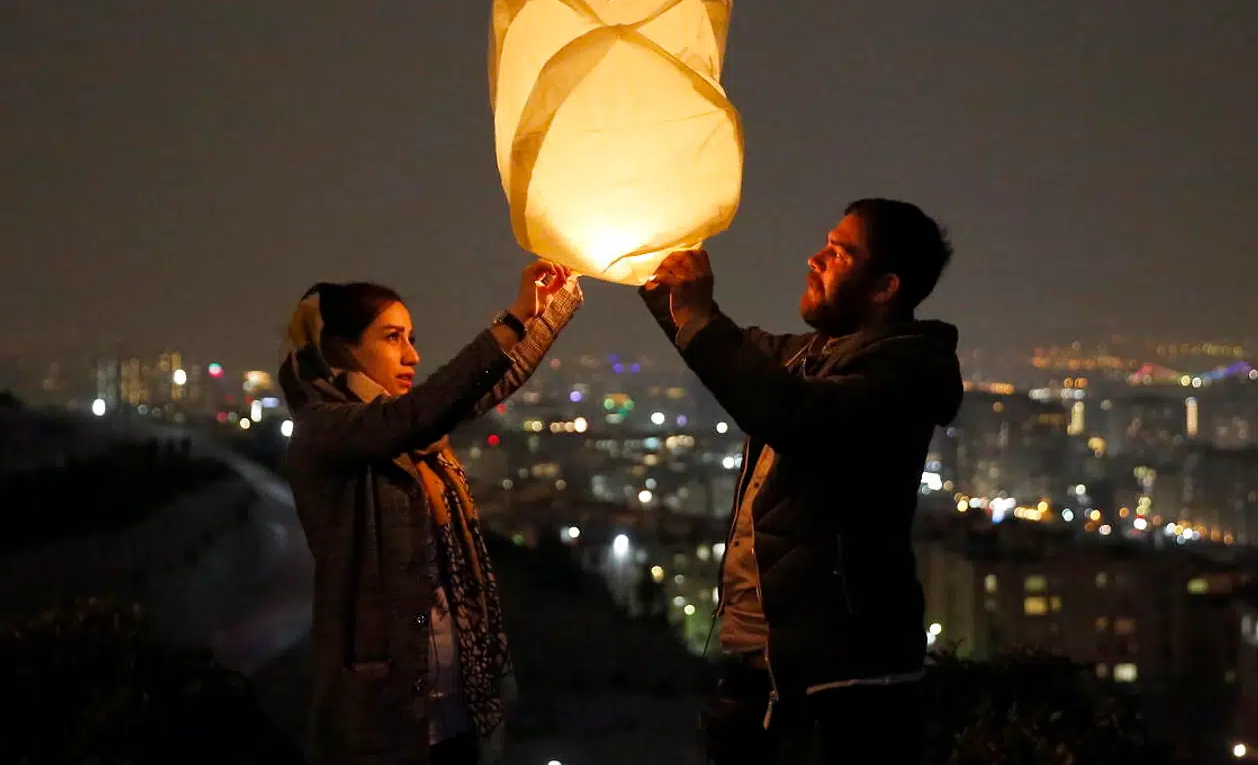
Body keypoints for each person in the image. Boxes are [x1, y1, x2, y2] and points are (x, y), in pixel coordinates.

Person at [641, 198, 963, 765]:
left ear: (885, 287)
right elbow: (738, 355)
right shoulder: (812, 357)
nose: (814, 259)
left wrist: (699, 315)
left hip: (840, 690)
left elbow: (787, 412)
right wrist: (648, 268)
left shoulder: (900, 378)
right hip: (767, 678)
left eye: (839, 253)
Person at [279, 261, 581, 765]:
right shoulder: (327, 432)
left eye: (412, 338)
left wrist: (547, 307)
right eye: (393, 337)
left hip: (454, 712)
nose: (412, 356)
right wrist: (510, 321)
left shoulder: (411, 433)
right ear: (343, 350)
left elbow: (480, 388)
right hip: (384, 720)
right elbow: (423, 410)